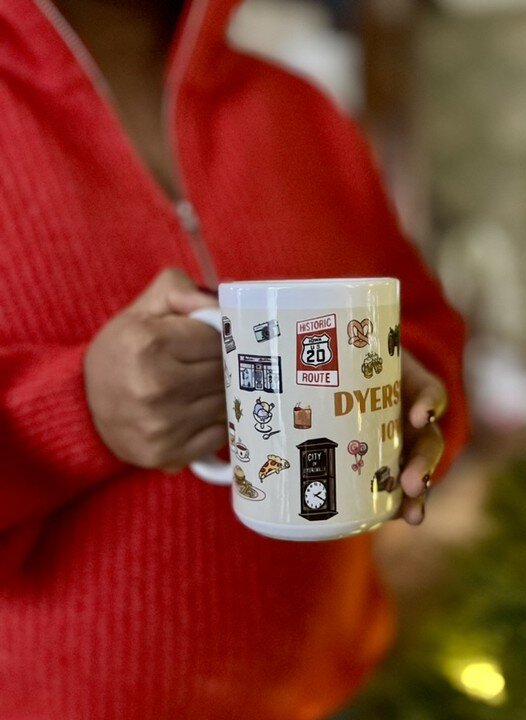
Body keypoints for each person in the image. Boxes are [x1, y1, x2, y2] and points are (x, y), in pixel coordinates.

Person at [0, 0, 469, 718]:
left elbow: (427, 328)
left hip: (334, 692)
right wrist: (74, 413)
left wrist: (410, 405)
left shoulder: (300, 111)